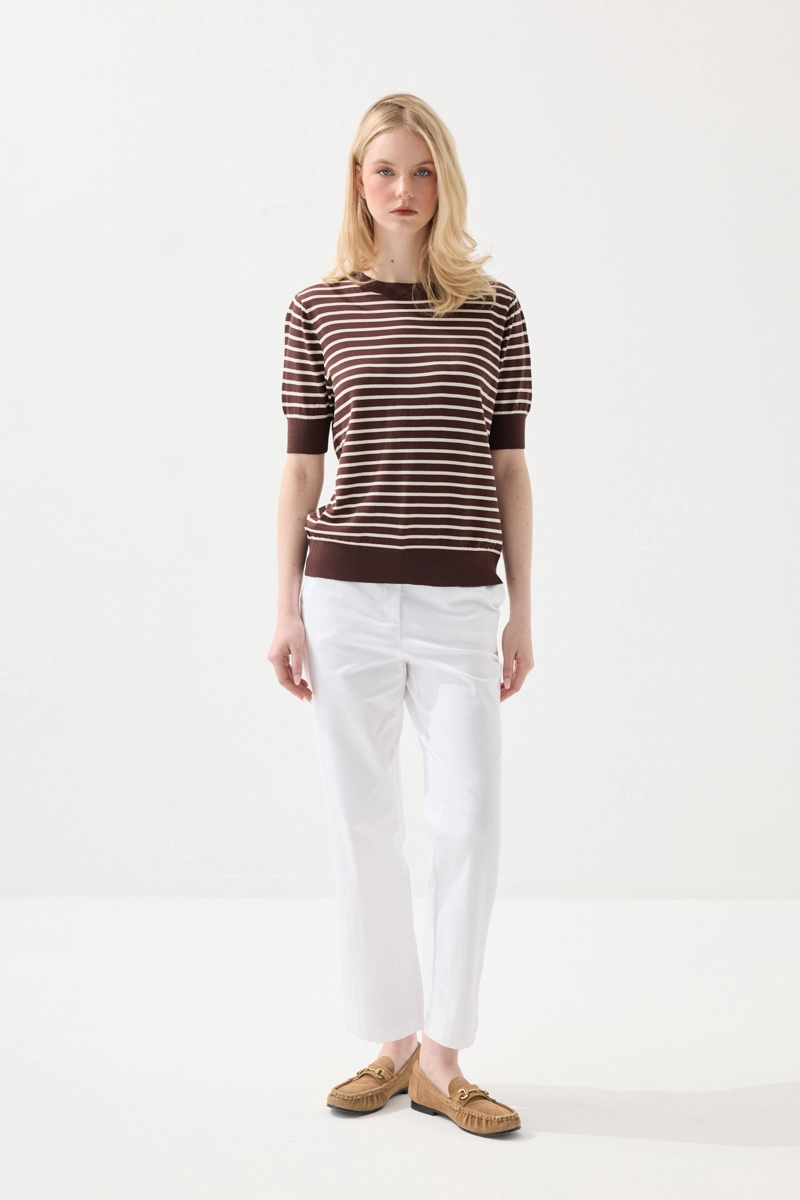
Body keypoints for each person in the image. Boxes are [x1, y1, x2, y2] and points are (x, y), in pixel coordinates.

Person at [269, 93, 534, 1138]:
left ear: (444, 182)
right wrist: (284, 608)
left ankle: (443, 1058)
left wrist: (521, 610)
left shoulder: (494, 310)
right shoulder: (315, 310)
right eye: (385, 170)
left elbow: (509, 470)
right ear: (358, 181)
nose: (404, 189)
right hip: (342, 597)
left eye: (422, 171)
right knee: (363, 819)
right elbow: (301, 470)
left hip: (461, 602)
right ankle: (389, 1044)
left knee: (468, 817)